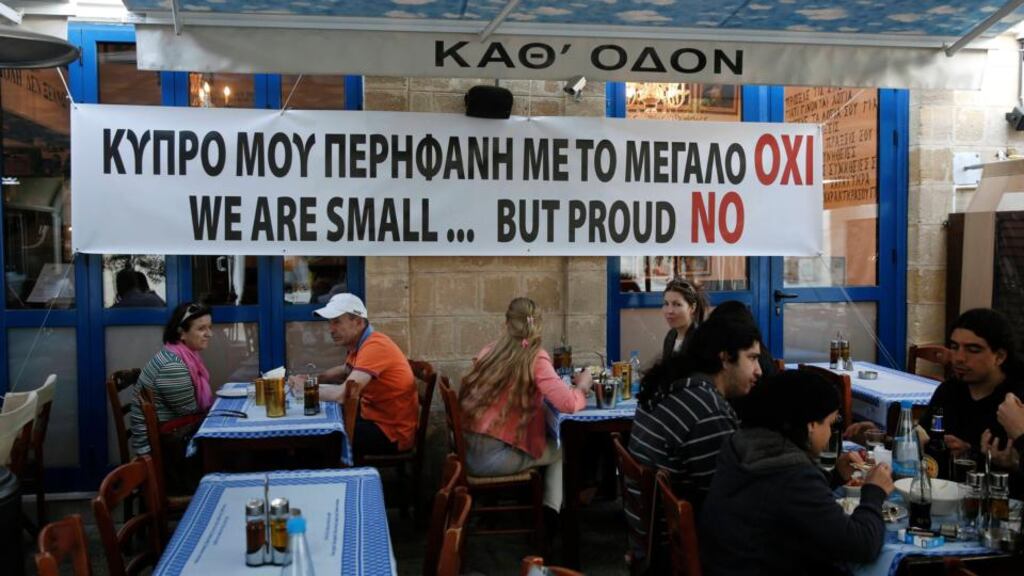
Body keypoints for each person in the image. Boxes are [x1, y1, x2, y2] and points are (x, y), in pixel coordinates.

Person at [700, 370, 894, 576]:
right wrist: (874, 492)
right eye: (829, 424)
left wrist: (836, 475)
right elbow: (862, 545)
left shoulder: (742, 443)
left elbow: (787, 505)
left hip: (727, 562)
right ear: (810, 425)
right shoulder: (792, 473)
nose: (830, 433)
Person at [459, 297, 593, 512]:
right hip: (492, 459)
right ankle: (551, 514)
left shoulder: (488, 352)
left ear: (505, 324)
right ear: (538, 328)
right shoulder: (536, 359)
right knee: (562, 448)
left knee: (545, 443)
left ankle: (546, 510)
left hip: (468, 451)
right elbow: (568, 403)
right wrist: (583, 385)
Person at [294, 293, 418, 457]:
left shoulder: (375, 346)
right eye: (330, 322)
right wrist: (313, 379)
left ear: (358, 322)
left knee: (320, 436)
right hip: (374, 418)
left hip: (391, 432)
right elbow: (344, 370)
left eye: (337, 322)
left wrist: (305, 388)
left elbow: (342, 394)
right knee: (320, 425)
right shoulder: (360, 344)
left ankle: (334, 479)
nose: (331, 329)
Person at [920, 308, 1024, 465]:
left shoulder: (1015, 402)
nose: (959, 358)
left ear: (1000, 356)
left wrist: (978, 455)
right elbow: (925, 433)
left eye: (973, 350)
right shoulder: (949, 390)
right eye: (954, 347)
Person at [128, 301, 213, 491]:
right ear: (181, 333)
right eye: (201, 328)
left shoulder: (181, 356)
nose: (209, 334)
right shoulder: (172, 366)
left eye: (209, 327)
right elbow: (190, 412)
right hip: (165, 454)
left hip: (171, 440)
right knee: (236, 452)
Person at [660, 277, 708, 362]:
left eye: (677, 304)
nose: (669, 311)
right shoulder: (671, 336)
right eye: (666, 304)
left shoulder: (701, 340)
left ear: (692, 307)